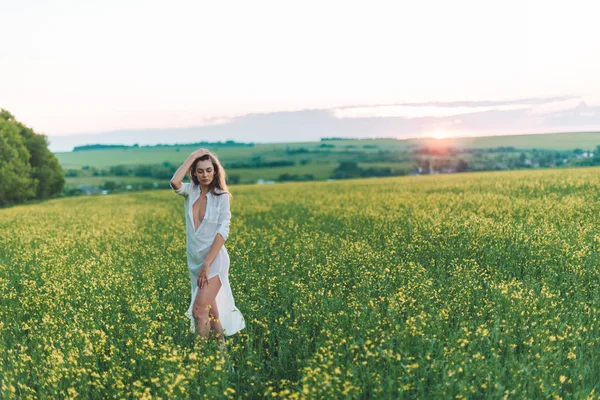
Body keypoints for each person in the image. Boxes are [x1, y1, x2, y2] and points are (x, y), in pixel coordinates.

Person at [169, 148, 245, 348]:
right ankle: (222, 356)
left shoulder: (221, 196)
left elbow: (222, 232)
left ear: (215, 171)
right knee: (212, 313)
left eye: (209, 170)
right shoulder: (190, 191)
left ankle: (200, 359)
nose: (205, 175)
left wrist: (207, 264)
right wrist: (192, 157)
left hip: (213, 261)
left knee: (199, 311)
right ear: (194, 173)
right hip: (195, 261)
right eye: (200, 170)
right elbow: (174, 182)